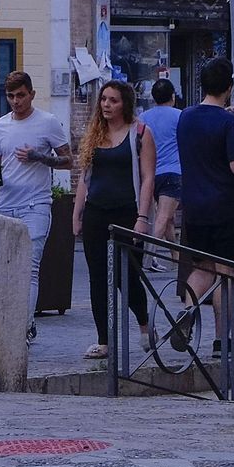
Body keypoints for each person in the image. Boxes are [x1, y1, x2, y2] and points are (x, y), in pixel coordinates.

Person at [72, 79, 158, 359]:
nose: (107, 105)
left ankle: (144, 324)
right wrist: (77, 212)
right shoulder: (94, 133)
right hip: (97, 211)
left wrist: (142, 217)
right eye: (104, 100)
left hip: (127, 211)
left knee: (128, 276)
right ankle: (104, 340)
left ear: (125, 105)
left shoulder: (141, 133)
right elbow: (86, 177)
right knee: (98, 277)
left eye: (113, 101)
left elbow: (147, 179)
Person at [0, 71, 72, 341]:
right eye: (10, 96)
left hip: (35, 204)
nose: (16, 101)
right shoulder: (0, 126)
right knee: (1, 267)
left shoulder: (47, 122)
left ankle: (23, 327)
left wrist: (39, 157)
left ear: (31, 94)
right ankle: (5, 321)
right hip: (5, 203)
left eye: (21, 95)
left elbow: (68, 160)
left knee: (29, 266)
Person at [170, 57, 234, 354]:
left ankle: (188, 310)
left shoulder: (185, 116)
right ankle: (223, 341)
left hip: (193, 206)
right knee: (226, 272)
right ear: (229, 86)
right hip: (222, 205)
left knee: (201, 267)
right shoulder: (227, 122)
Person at [141, 79, 183, 266]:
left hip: (149, 174)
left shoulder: (143, 118)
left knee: (169, 219)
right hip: (173, 173)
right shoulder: (179, 116)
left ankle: (176, 257)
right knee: (163, 217)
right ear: (173, 96)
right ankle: (146, 259)